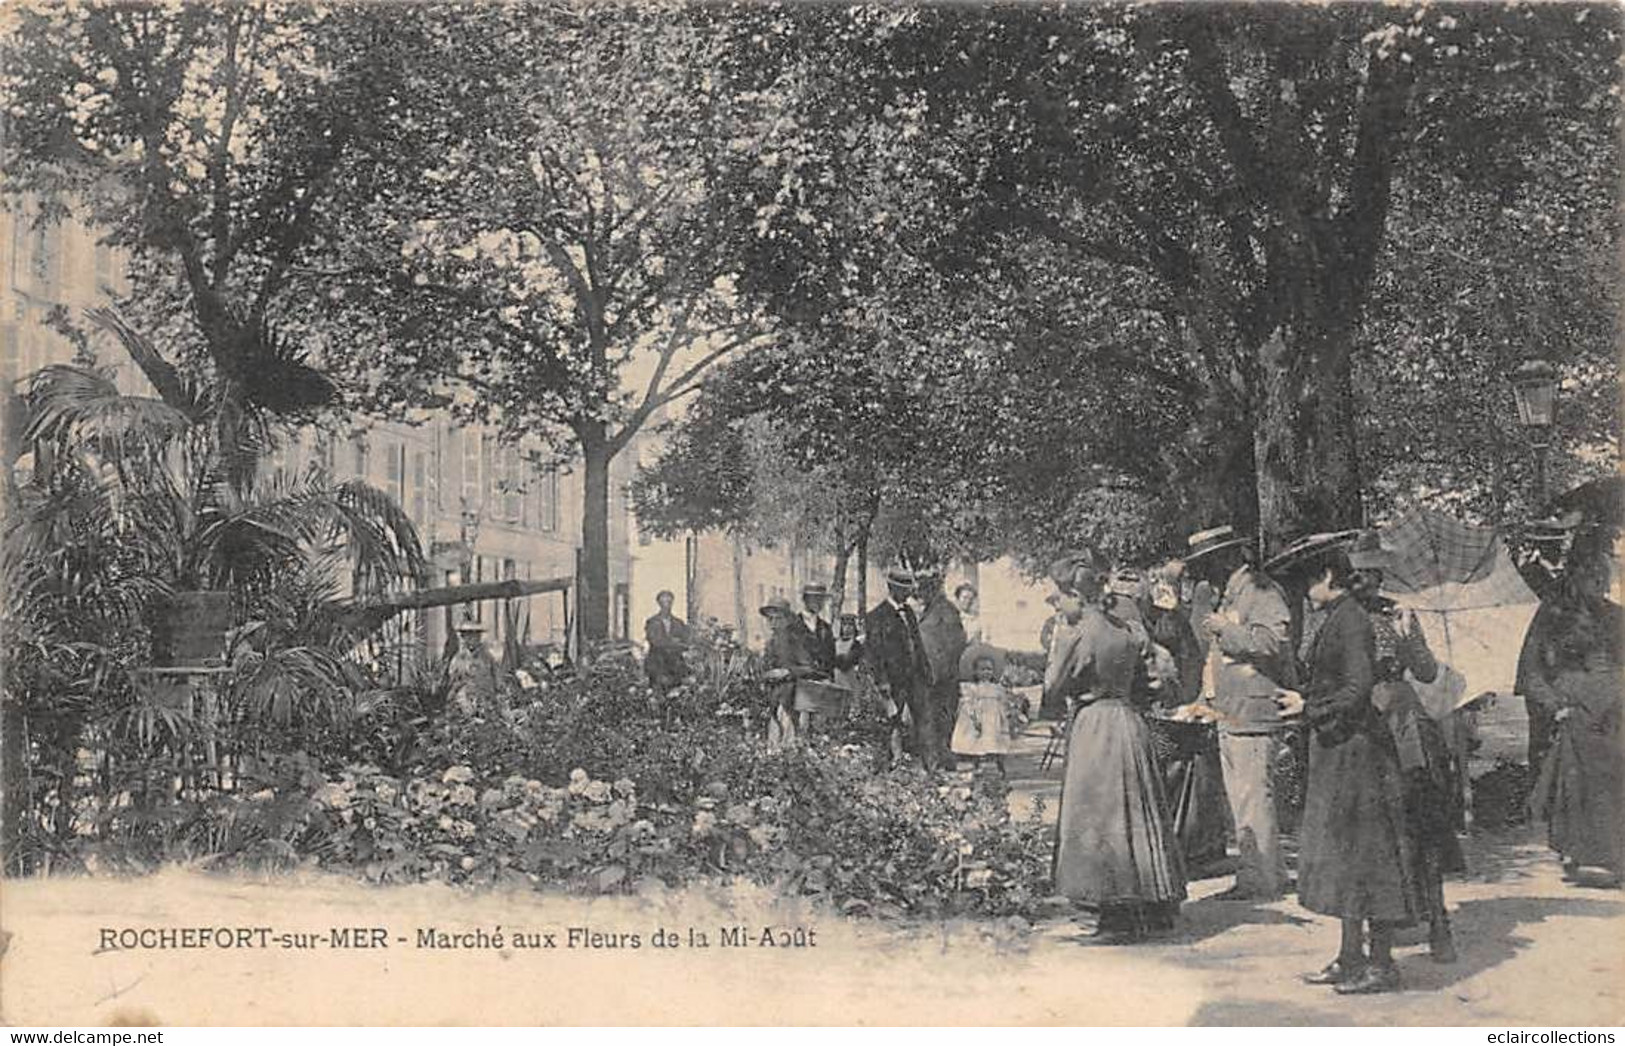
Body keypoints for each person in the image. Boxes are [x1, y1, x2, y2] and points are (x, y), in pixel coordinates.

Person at [1273, 536, 1419, 995]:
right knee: (1344, 857)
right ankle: (1350, 956)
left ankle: (1381, 965)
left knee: (1367, 856)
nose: (1303, 593)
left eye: (1306, 583)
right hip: (1340, 751)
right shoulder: (1338, 616)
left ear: (1328, 577)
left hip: (1359, 756)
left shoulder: (1350, 621)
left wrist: (1306, 704)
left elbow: (1357, 690)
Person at [1050, 554, 1186, 940]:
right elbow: (1148, 682)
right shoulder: (1126, 629)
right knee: (1137, 813)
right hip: (1129, 722)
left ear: (1076, 594)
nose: (1059, 605)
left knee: (1102, 816)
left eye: (1061, 597)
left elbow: (1053, 688)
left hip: (1096, 726)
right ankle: (1153, 904)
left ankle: (1114, 910)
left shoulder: (1080, 633)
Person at [1348, 533, 1464, 962]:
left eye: (1374, 575)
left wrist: (1411, 637)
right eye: (1360, 577)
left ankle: (1438, 924)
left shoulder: (1398, 615)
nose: (1368, 584)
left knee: (1422, 825)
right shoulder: (1339, 618)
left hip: (1403, 724)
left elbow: (1428, 672)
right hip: (1361, 723)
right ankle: (1389, 921)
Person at [1179, 524, 1297, 901]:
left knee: (1252, 796)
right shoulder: (1230, 595)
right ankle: (1263, 874)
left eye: (1210, 563)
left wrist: (1225, 630)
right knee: (1243, 797)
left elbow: (1273, 641)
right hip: (1231, 710)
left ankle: (1260, 880)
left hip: (1254, 709)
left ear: (1229, 558)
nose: (1206, 573)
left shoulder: (1261, 591)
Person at [1527, 597, 1624, 885]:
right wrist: (1556, 704)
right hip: (1579, 711)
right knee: (1575, 784)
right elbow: (1535, 673)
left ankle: (1604, 854)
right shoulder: (1552, 617)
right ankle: (1580, 851)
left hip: (1605, 710)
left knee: (1600, 783)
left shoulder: (1611, 617)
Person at [1146, 559, 1234, 875]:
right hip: (1179, 706)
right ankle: (1195, 850)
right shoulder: (1178, 619)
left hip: (1184, 704)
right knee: (1186, 777)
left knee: (1187, 778)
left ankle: (1191, 849)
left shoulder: (1180, 617)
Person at [865, 567, 937, 769]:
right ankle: (895, 763)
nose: (907, 593)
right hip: (893, 679)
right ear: (891, 588)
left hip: (915, 676)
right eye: (902, 589)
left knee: (923, 718)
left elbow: (918, 644)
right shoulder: (875, 616)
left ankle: (926, 766)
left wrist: (926, 670)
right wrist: (882, 681)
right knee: (893, 720)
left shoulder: (909, 613)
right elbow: (874, 653)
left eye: (908, 589)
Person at [917, 572, 969, 770]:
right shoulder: (933, 610)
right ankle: (937, 760)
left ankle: (940, 760)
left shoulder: (945, 611)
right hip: (933, 676)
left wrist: (937, 673)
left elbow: (954, 644)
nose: (920, 595)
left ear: (933, 589)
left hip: (940, 678)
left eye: (923, 590)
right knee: (934, 718)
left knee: (940, 719)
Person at [761, 596, 820, 747]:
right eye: (770, 619)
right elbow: (766, 668)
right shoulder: (771, 642)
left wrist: (787, 672)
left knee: (791, 742)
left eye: (777, 618)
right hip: (775, 698)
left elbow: (811, 669)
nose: (773, 623)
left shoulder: (796, 640)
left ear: (787, 619)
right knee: (774, 743)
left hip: (794, 699)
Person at [952, 644, 1020, 772]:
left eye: (989, 669)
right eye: (982, 669)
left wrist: (1007, 718)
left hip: (993, 719)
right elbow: (968, 704)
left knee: (994, 743)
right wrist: (974, 717)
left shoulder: (997, 688)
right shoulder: (972, 688)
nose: (986, 672)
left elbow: (1002, 705)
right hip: (978, 718)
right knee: (977, 743)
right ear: (975, 671)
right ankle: (976, 765)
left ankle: (996, 768)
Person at [644, 590, 690, 692]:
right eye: (663, 602)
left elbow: (685, 642)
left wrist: (671, 642)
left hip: (675, 666)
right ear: (659, 604)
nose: (666, 606)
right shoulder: (652, 622)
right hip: (657, 665)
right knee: (658, 695)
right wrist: (673, 642)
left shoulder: (678, 623)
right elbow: (655, 642)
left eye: (669, 602)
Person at [791, 582, 837, 677]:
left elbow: (831, 660)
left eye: (821, 599)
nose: (818, 602)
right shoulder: (792, 626)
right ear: (805, 599)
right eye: (814, 598)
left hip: (822, 685)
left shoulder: (826, 628)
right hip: (799, 684)